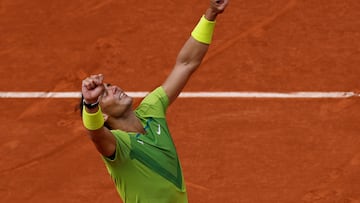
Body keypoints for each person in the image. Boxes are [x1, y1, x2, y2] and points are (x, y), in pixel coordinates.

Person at [80, 0, 229, 202]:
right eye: (105, 94)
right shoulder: (119, 147)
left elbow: (185, 64)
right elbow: (96, 134)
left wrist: (210, 14)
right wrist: (90, 104)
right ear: (102, 114)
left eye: (110, 85)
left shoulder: (151, 109)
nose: (114, 88)